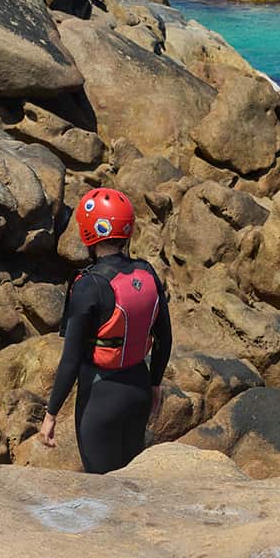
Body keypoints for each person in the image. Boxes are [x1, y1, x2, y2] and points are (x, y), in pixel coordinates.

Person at [40, 188, 172, 474]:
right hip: (138, 388)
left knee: (102, 487)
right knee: (131, 481)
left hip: (100, 398)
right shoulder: (147, 271)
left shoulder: (88, 284)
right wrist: (155, 384)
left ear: (89, 232)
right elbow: (165, 337)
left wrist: (51, 413)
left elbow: (71, 360)